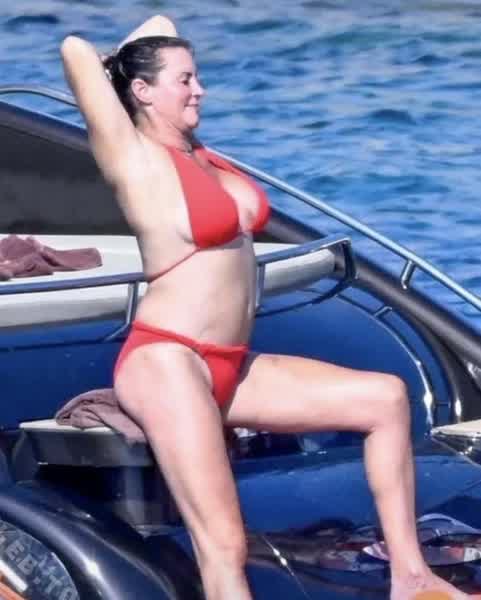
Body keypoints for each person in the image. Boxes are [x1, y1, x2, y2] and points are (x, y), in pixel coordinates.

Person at [61, 15, 471, 600]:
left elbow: (161, 24)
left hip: (228, 361)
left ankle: (410, 577)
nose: (200, 90)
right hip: (169, 361)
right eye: (185, 80)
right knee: (224, 544)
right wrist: (118, 72)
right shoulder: (135, 158)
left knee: (384, 398)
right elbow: (73, 47)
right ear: (144, 91)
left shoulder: (200, 154)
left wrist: (143, 63)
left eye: (197, 77)